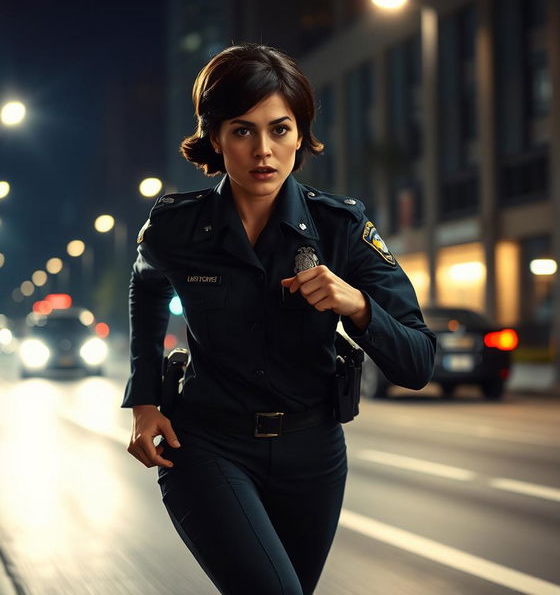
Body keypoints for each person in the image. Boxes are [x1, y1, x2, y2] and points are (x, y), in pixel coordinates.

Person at [122, 43, 437, 595]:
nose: (263, 151)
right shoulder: (175, 227)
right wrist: (145, 401)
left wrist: (356, 305)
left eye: (280, 129)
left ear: (300, 134)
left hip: (312, 454)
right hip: (207, 446)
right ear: (214, 137)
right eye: (242, 130)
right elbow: (145, 286)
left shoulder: (341, 229)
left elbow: (417, 364)